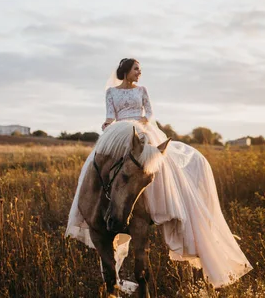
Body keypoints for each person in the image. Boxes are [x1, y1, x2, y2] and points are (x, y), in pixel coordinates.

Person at [66, 58, 252, 288]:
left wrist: (139, 126)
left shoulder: (142, 90)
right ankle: (95, 204)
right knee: (95, 164)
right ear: (126, 71)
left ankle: (161, 204)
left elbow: (149, 114)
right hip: (119, 132)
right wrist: (107, 126)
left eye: (140, 70)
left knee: (157, 166)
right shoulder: (111, 92)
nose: (139, 73)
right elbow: (109, 116)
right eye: (136, 69)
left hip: (141, 132)